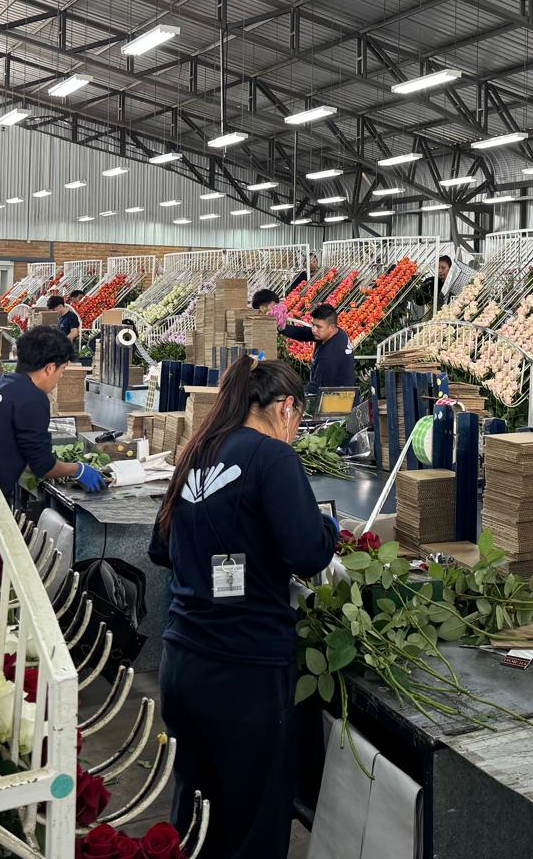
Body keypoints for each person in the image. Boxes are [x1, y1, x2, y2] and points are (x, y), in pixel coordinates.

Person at [147, 355, 338, 859]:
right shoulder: (273, 459)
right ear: (286, 408)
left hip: (184, 666)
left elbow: (161, 549)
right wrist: (329, 530)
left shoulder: (198, 451)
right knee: (253, 829)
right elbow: (306, 552)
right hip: (245, 674)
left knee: (199, 818)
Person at [0, 325, 108, 504]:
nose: (59, 379)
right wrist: (78, 469)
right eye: (62, 371)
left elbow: (23, 455)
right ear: (50, 368)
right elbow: (43, 466)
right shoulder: (32, 397)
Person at [278, 303, 353, 394]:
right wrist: (282, 327)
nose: (314, 329)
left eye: (318, 327)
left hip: (336, 402)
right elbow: (302, 333)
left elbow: (316, 388)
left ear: (331, 327)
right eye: (313, 324)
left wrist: (286, 389)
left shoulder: (329, 356)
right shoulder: (335, 333)